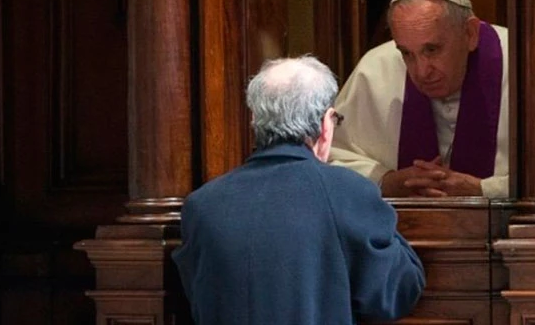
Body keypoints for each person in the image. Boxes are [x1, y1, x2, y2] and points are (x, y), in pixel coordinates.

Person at [172, 55, 425, 325]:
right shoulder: (349, 192)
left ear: (255, 118)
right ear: (326, 124)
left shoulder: (202, 205)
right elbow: (394, 294)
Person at [330, 0, 509, 198]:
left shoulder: (521, 63)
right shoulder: (375, 70)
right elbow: (331, 162)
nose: (421, 71)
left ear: (470, 33)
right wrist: (387, 182)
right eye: (406, 53)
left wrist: (483, 190)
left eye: (432, 50)